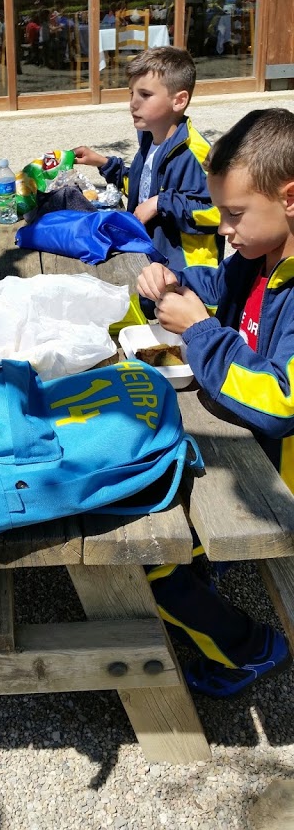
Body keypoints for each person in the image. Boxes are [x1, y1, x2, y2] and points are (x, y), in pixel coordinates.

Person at [137, 107, 294, 698]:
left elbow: (280, 401)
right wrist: (167, 281)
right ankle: (206, 571)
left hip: (275, 473)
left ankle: (250, 650)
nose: (223, 229)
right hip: (242, 441)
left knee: (152, 559)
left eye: (234, 214)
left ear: (289, 198)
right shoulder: (259, 253)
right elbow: (215, 288)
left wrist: (200, 331)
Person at [73, 46, 224, 313]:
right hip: (153, 263)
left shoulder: (194, 153)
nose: (133, 103)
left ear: (179, 101)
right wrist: (103, 163)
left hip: (188, 281)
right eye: (131, 93)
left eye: (145, 94)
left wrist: (160, 203)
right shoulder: (151, 139)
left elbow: (220, 213)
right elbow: (142, 189)